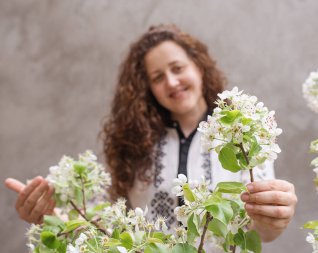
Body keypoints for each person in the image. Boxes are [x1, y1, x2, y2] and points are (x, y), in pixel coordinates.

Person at [5, 24, 297, 243]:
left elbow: (262, 232)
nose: (171, 82)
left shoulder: (243, 134)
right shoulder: (134, 145)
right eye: (157, 77)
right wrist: (51, 217)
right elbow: (101, 224)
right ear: (148, 89)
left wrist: (275, 220)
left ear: (199, 67)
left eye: (178, 68)